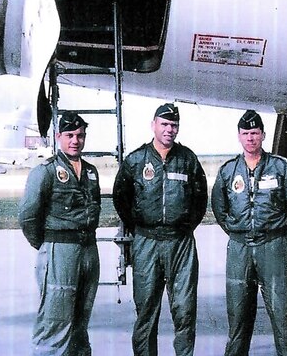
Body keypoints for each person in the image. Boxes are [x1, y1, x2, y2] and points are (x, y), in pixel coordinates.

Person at [113, 102, 208, 356]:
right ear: (153, 125)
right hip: (147, 242)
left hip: (180, 243)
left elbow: (200, 199)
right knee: (146, 310)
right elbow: (121, 197)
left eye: (174, 125)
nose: (169, 130)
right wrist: (141, 225)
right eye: (164, 124)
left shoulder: (187, 159)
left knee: (185, 310)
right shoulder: (135, 160)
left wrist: (184, 226)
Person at [211, 110, 287, 356]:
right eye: (245, 133)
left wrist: (281, 235)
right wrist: (239, 231)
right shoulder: (228, 171)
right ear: (239, 137)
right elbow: (219, 208)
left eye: (255, 133)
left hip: (274, 247)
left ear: (263, 135)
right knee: (238, 319)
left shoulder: (281, 167)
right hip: (239, 249)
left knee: (284, 319)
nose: (250, 138)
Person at [19, 111, 101, 356]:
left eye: (80, 135)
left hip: (88, 250)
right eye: (69, 135)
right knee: (55, 322)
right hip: (60, 250)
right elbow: (28, 215)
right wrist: (47, 246)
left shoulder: (90, 172)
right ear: (58, 137)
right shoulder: (45, 172)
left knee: (80, 322)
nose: (75, 140)